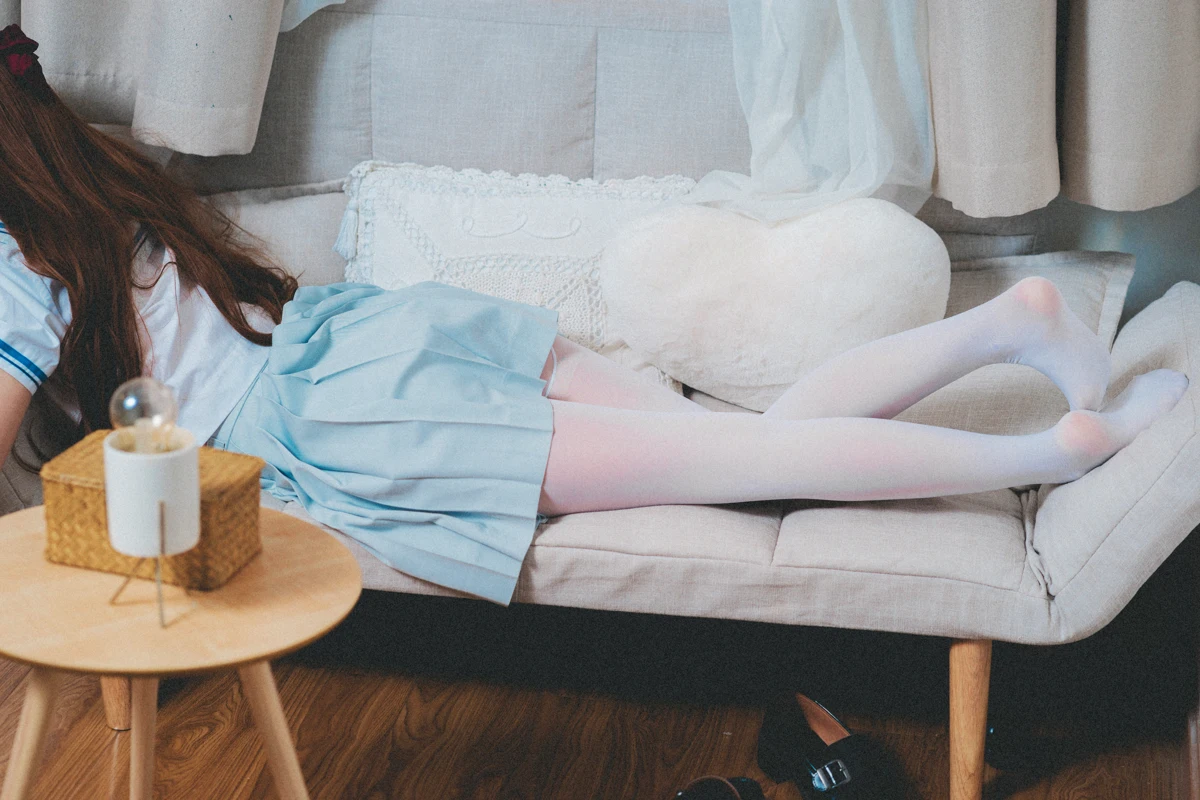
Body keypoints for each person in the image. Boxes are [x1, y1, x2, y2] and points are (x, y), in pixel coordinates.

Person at [0, 25, 1189, 605]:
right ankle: (1009, 323)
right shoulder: (92, 190)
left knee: (763, 464)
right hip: (366, 337)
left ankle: (1050, 449)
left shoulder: (17, 263)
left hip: (355, 421)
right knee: (750, 443)